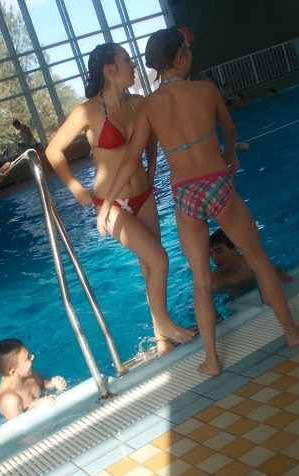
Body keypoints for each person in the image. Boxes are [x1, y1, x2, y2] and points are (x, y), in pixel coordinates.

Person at [101, 26, 299, 376]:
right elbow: (229, 130)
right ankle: (292, 333)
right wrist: (230, 155)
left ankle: (212, 361)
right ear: (181, 56)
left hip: (185, 192)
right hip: (217, 182)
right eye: (187, 50)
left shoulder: (150, 105)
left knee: (200, 281)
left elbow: (131, 158)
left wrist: (108, 201)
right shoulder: (205, 89)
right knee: (259, 260)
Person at [45, 42, 194, 354]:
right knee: (160, 260)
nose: (134, 64)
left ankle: (161, 340)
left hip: (143, 196)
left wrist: (151, 169)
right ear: (110, 70)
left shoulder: (138, 103)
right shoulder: (87, 111)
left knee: (151, 265)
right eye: (127, 60)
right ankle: (164, 321)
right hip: (110, 205)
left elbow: (150, 139)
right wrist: (76, 188)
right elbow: (53, 150)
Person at [0, 338, 66, 421]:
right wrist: (33, 406)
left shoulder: (27, 374)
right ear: (14, 372)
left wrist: (54, 383)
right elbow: (19, 426)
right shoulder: (9, 399)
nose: (32, 356)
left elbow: (42, 384)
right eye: (27, 358)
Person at [210, 229, 292, 296]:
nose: (214, 258)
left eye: (219, 251)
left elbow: (274, 271)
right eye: (210, 254)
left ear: (235, 247)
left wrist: (278, 273)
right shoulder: (216, 281)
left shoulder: (251, 262)